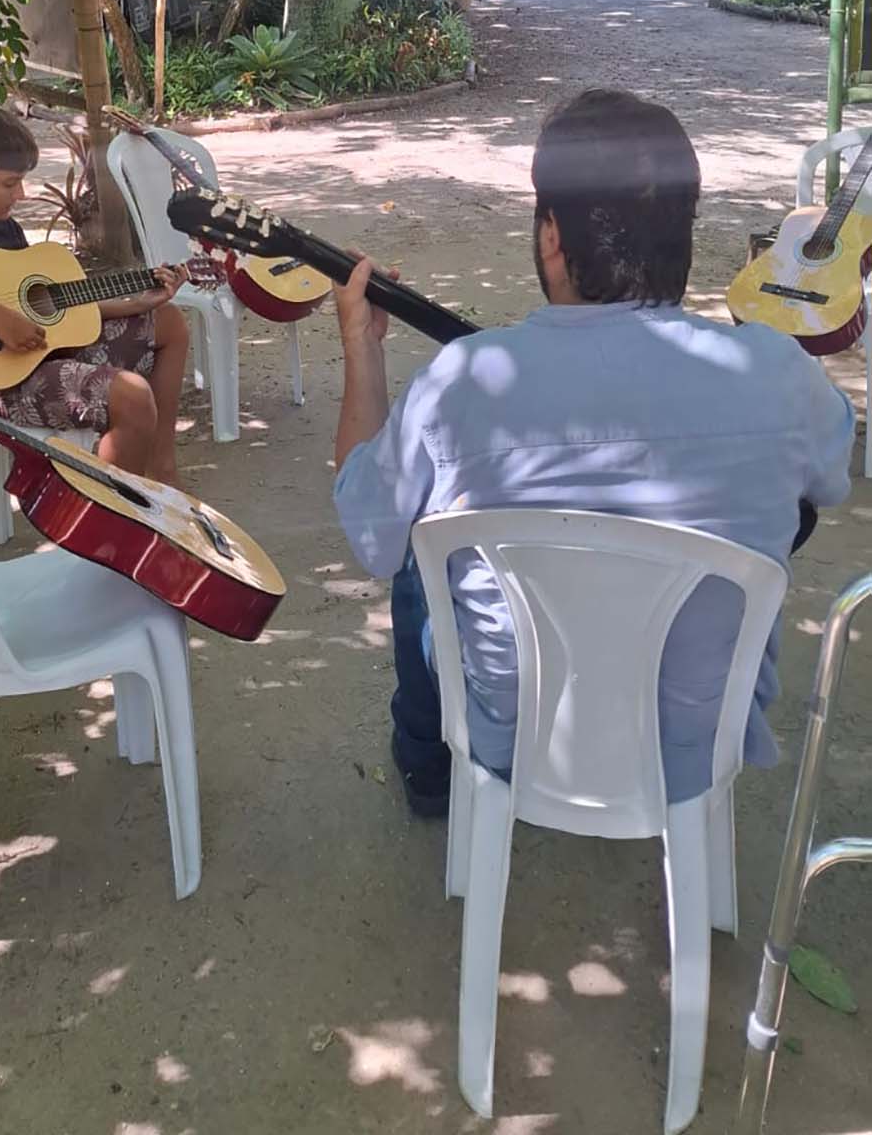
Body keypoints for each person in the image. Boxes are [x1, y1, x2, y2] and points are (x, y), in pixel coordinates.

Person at [332, 87, 855, 817]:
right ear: (685, 234)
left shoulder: (459, 385)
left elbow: (366, 528)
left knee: (421, 547)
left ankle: (429, 770)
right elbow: (824, 488)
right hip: (696, 747)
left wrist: (360, 346)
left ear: (552, 234)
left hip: (509, 738)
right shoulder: (776, 373)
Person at [0, 106, 190, 484]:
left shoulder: (5, 229)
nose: (22, 194)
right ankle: (113, 523)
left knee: (168, 322)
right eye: (9, 184)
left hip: (36, 359)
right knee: (130, 396)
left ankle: (161, 470)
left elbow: (50, 309)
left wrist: (133, 304)